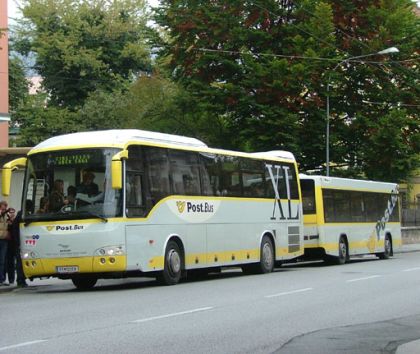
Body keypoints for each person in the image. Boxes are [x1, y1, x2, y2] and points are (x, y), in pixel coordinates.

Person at [0, 200, 13, 286]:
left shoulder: (6, 215)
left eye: (6, 205)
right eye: (4, 205)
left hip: (4, 239)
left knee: (2, 260)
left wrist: (10, 220)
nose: (5, 207)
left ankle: (2, 278)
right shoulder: (2, 214)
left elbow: (9, 225)